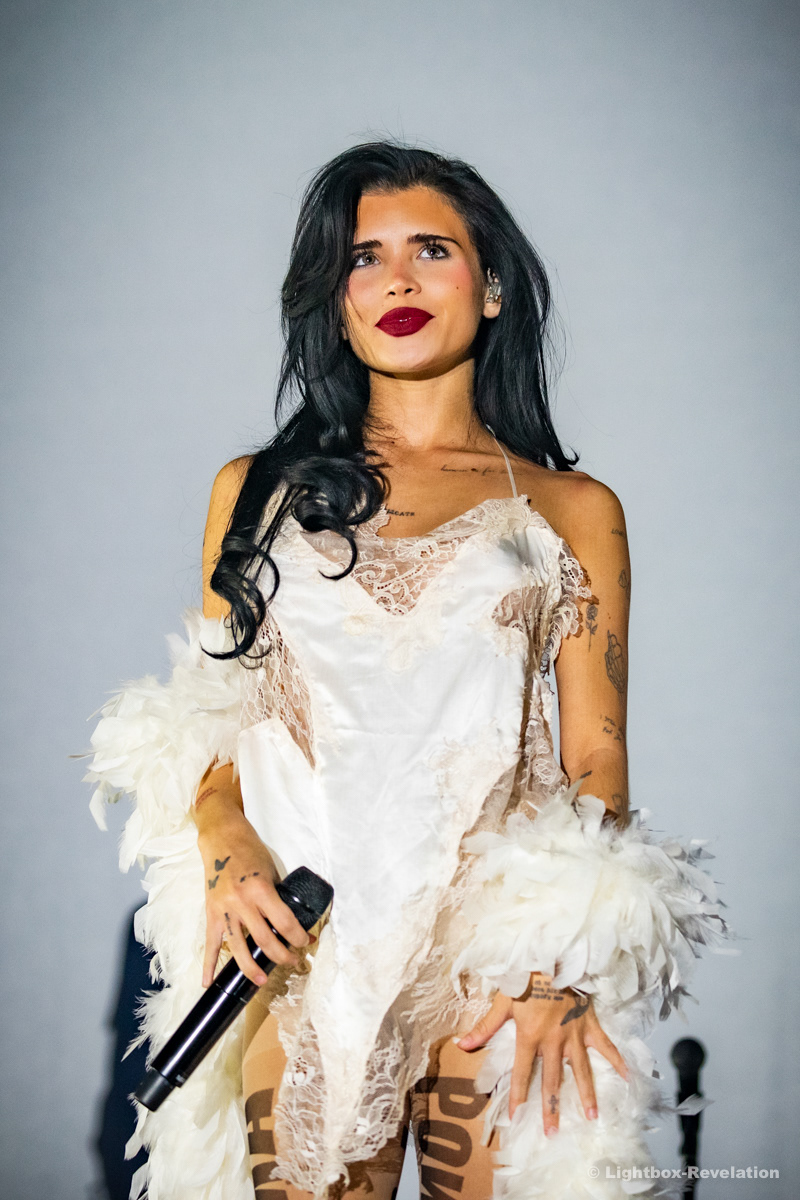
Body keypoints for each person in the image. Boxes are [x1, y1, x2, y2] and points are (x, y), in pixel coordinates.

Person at [86, 142, 730, 1200]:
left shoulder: (573, 510)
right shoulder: (256, 492)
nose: (396, 279)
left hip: (494, 958)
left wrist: (559, 961)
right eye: (363, 257)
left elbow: (594, 755)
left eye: (430, 250)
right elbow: (209, 710)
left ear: (491, 286)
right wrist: (224, 840)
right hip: (309, 947)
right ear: (333, 302)